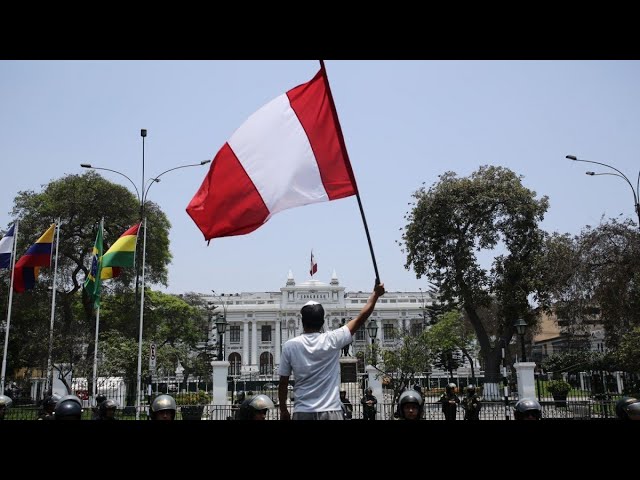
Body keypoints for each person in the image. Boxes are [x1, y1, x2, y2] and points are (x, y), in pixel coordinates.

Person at [278, 282, 386, 420]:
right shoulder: (332, 339)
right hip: (331, 411)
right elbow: (360, 319)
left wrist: (283, 410)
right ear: (323, 321)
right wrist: (375, 295)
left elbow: (283, 382)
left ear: (301, 321)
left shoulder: (290, 346)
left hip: (302, 411)